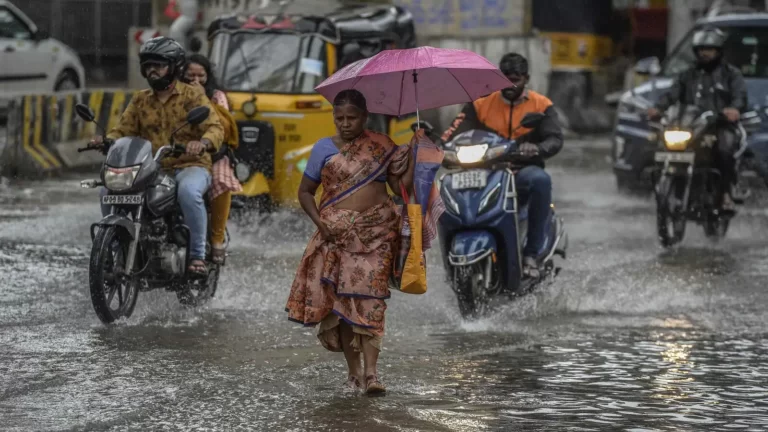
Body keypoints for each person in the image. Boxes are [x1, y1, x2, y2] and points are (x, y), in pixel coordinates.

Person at [285, 89, 415, 395]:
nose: (345, 124)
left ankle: (372, 375)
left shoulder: (382, 146)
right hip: (336, 237)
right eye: (339, 117)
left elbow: (400, 188)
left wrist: (416, 156)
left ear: (365, 117)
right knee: (342, 305)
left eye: (352, 118)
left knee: (372, 303)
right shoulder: (322, 149)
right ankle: (354, 374)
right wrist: (321, 224)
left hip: (377, 233)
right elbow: (305, 192)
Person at [93, 36, 224, 275]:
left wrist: (202, 142)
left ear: (173, 67)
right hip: (151, 168)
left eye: (159, 65)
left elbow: (215, 127)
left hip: (190, 164)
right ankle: (114, 245)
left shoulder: (193, 96)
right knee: (107, 190)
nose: (153, 71)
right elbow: (123, 130)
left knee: (188, 192)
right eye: (148, 65)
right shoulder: (141, 99)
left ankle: (197, 255)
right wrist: (107, 141)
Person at [440, 52, 564, 279]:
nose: (509, 84)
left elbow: (555, 138)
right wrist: (434, 144)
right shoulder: (479, 102)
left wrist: (536, 149)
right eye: (504, 78)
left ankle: (531, 254)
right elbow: (453, 131)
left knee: (540, 180)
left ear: (526, 79)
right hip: (484, 170)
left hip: (520, 169)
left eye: (515, 79)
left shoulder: (541, 105)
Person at [647, 26, 747, 212]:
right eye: (701, 49)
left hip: (719, 125)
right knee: (660, 144)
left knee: (725, 150)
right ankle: (668, 190)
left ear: (718, 51)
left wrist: (733, 109)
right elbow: (672, 94)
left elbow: (740, 96)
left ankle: (726, 194)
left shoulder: (731, 74)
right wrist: (658, 108)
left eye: (709, 49)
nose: (705, 54)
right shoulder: (687, 75)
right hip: (691, 125)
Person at [182, 54, 242, 265]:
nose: (196, 80)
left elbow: (223, 128)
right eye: (191, 76)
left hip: (214, 154)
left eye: (201, 76)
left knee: (221, 180)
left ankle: (216, 240)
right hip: (179, 153)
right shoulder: (174, 94)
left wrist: (201, 99)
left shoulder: (217, 96)